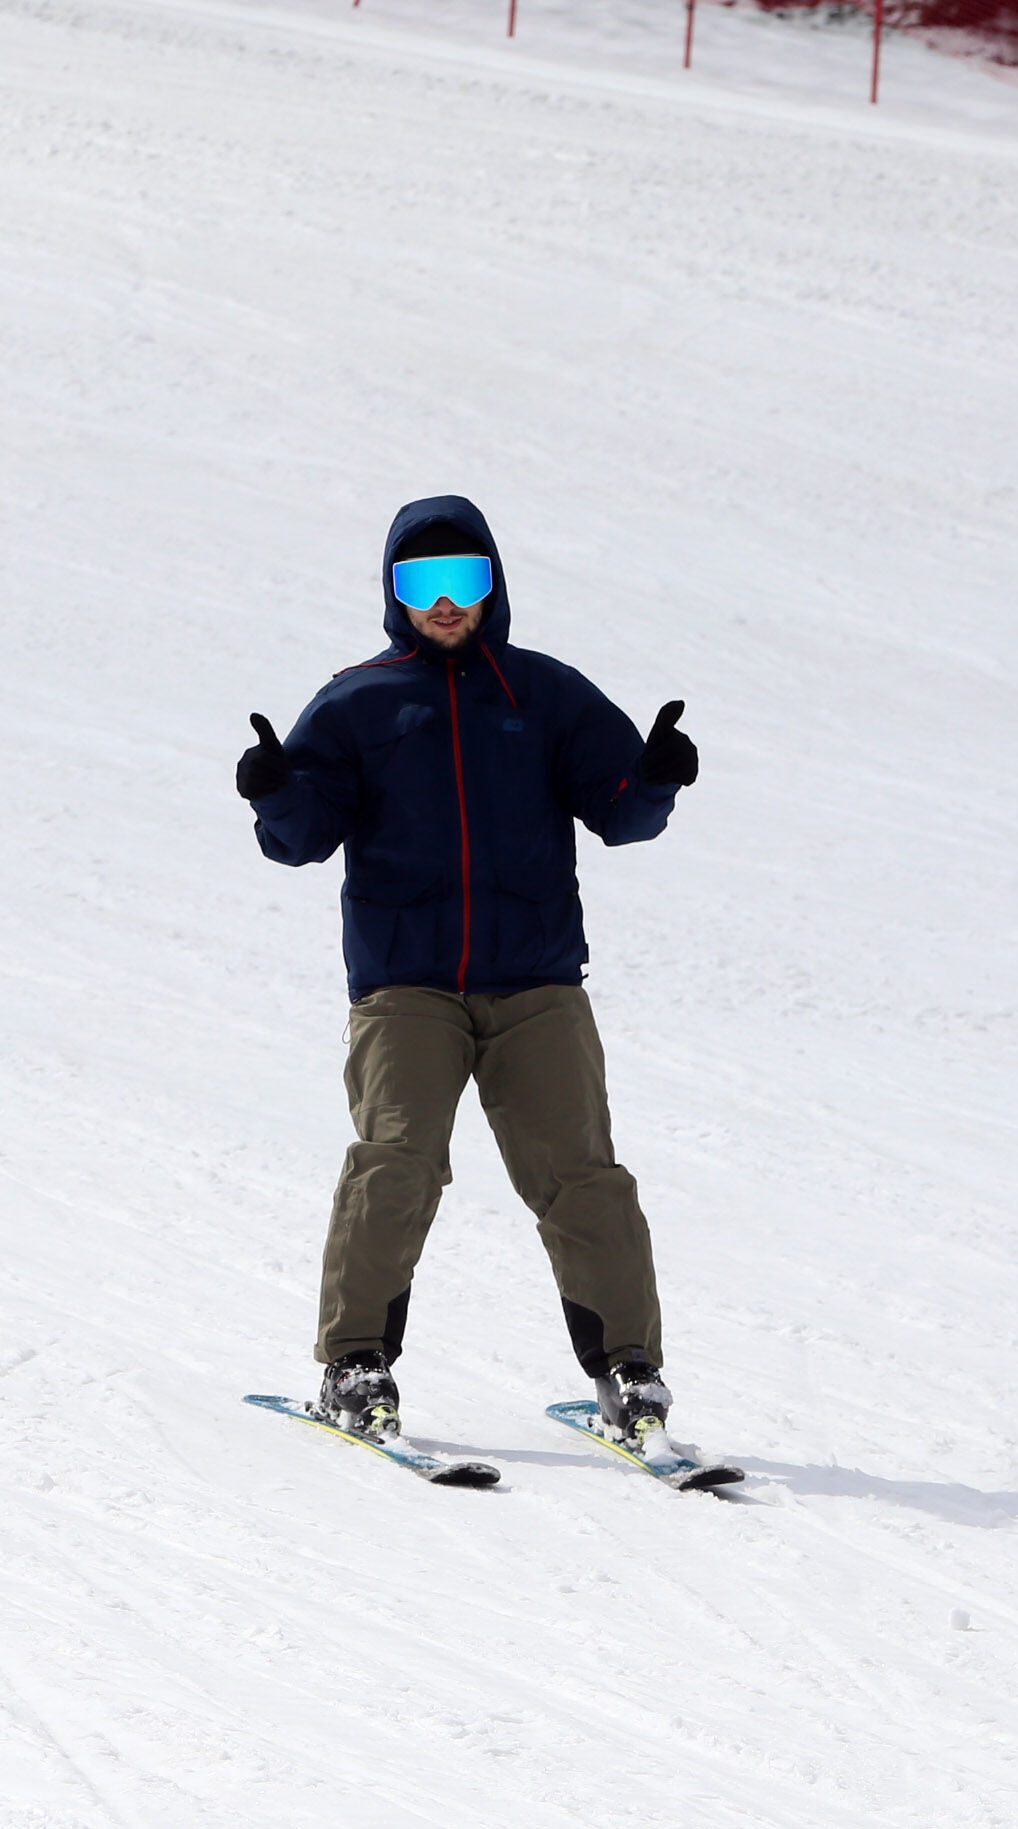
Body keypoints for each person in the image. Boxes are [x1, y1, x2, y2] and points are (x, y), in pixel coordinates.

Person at [236, 495, 699, 1449]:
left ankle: (630, 1376)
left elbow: (619, 812)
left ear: (494, 585)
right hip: (405, 986)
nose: (445, 603)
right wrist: (278, 794)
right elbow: (303, 839)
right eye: (422, 583)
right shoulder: (358, 701)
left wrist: (653, 777)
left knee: (582, 1176)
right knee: (396, 1162)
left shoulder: (547, 694)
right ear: (393, 593)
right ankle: (353, 1363)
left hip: (535, 981)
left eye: (465, 581)